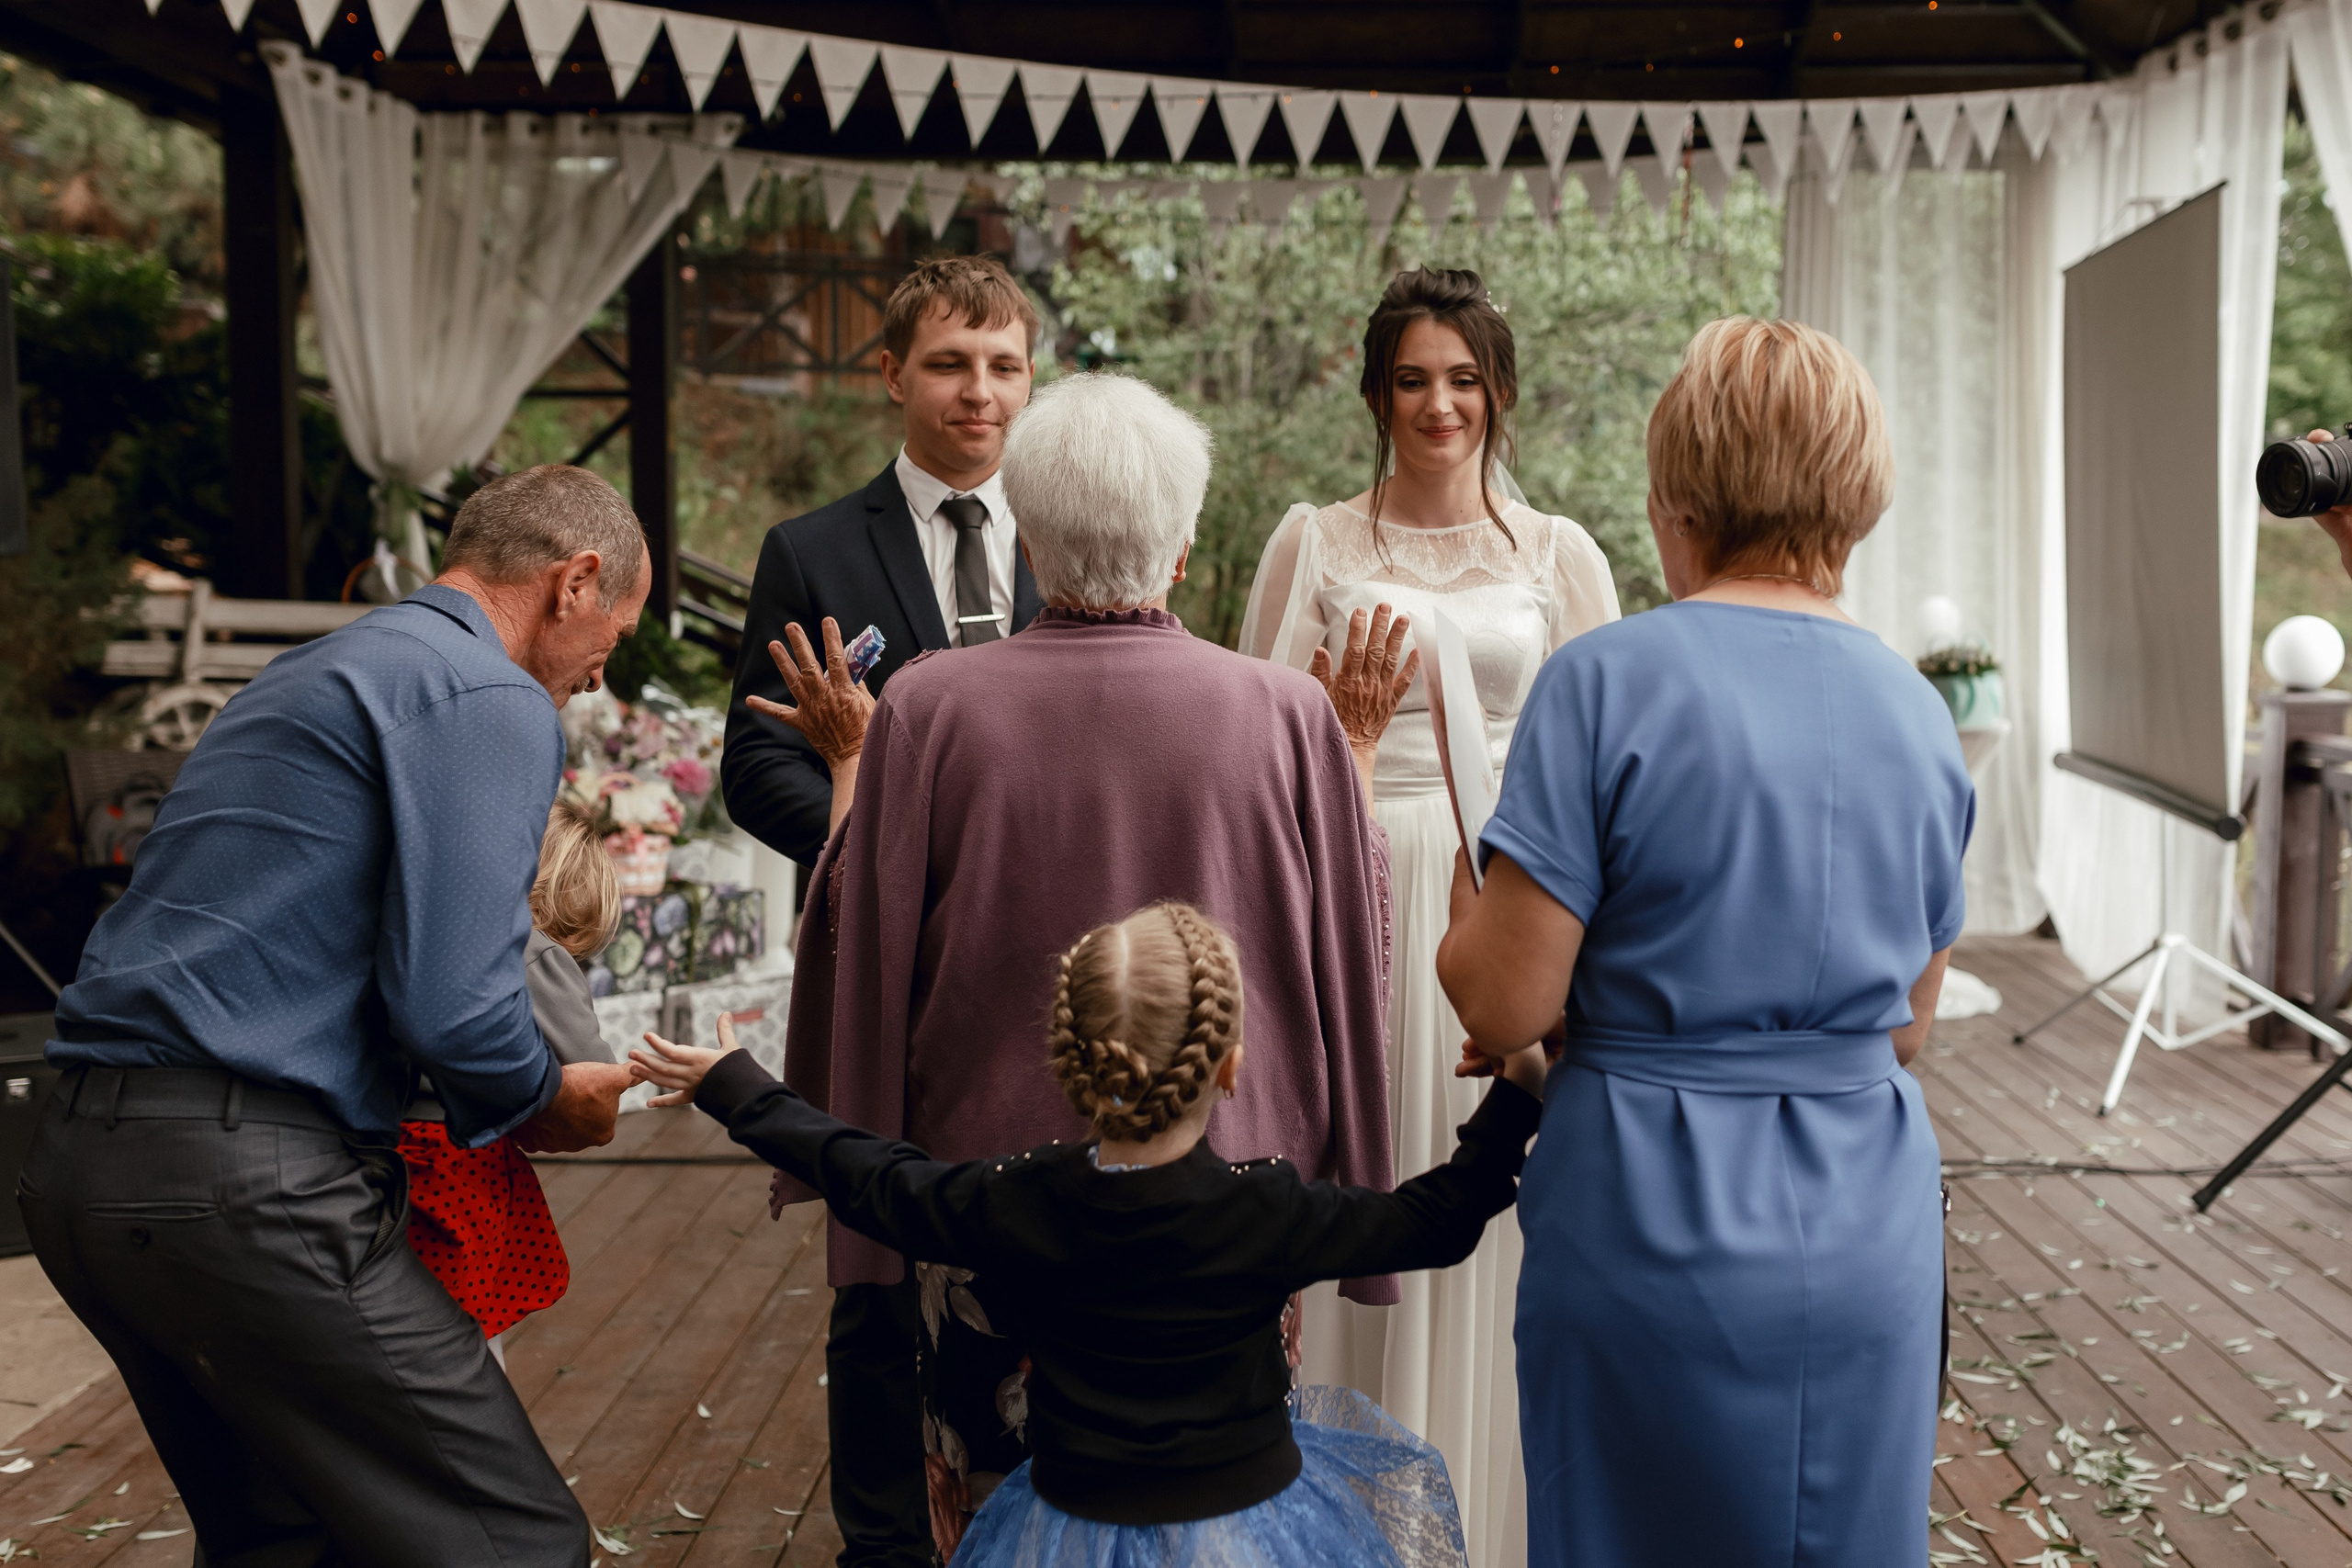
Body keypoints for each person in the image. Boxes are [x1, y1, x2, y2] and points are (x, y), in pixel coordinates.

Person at [775, 370, 1412, 1567]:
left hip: (986, 1197)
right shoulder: (1286, 713)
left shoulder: (926, 707)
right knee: (1218, 1519)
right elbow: (1351, 941)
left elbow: (859, 938)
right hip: (1225, 1187)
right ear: (1182, 546)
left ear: (1027, 534)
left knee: (996, 1523)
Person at [21, 464, 646, 1564]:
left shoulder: (312, 670)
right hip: (241, 1178)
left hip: (78, 1164)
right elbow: (456, 1006)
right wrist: (546, 1097)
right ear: (575, 582)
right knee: (516, 1539)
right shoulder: (488, 692)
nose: (601, 674)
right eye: (615, 637)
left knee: (286, 1540)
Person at [1438, 317, 1973, 1566]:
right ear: (1856, 491)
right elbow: (1906, 1024)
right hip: (1867, 1217)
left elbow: (1503, 1004)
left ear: (1678, 493)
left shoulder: (1603, 680)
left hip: (1646, 1206)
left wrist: (1474, 886)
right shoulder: (1917, 708)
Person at [628, 901, 1551, 1568]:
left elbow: (875, 1179)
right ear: (1229, 1065)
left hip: (1066, 1525)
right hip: (1251, 1529)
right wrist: (1519, 1089)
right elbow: (1435, 1219)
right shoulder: (1266, 1207)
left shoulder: (1020, 1199)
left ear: (1070, 1061)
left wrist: (738, 1086)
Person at [1238, 265, 1620, 1568]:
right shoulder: (1316, 542)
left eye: (1462, 379)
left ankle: (1495, 1523)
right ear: (1375, 393)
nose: (1438, 404)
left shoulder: (1559, 554)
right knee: (1363, 1177)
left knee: (1495, 1189)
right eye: (1412, 379)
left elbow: (1605, 760)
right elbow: (1262, 747)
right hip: (1352, 888)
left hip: (1509, 887)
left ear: (1498, 392)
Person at [724, 254, 1047, 866]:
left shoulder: (1080, 541)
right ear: (895, 374)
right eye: (949, 364)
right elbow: (757, 766)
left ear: (1029, 378)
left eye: (1004, 367)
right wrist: (899, 850)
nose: (980, 392)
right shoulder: (809, 554)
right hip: (883, 906)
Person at [398, 797, 623, 1369]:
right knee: (464, 1329)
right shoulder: (529, 949)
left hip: (383, 1152)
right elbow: (591, 1077)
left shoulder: (423, 921)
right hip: (453, 1163)